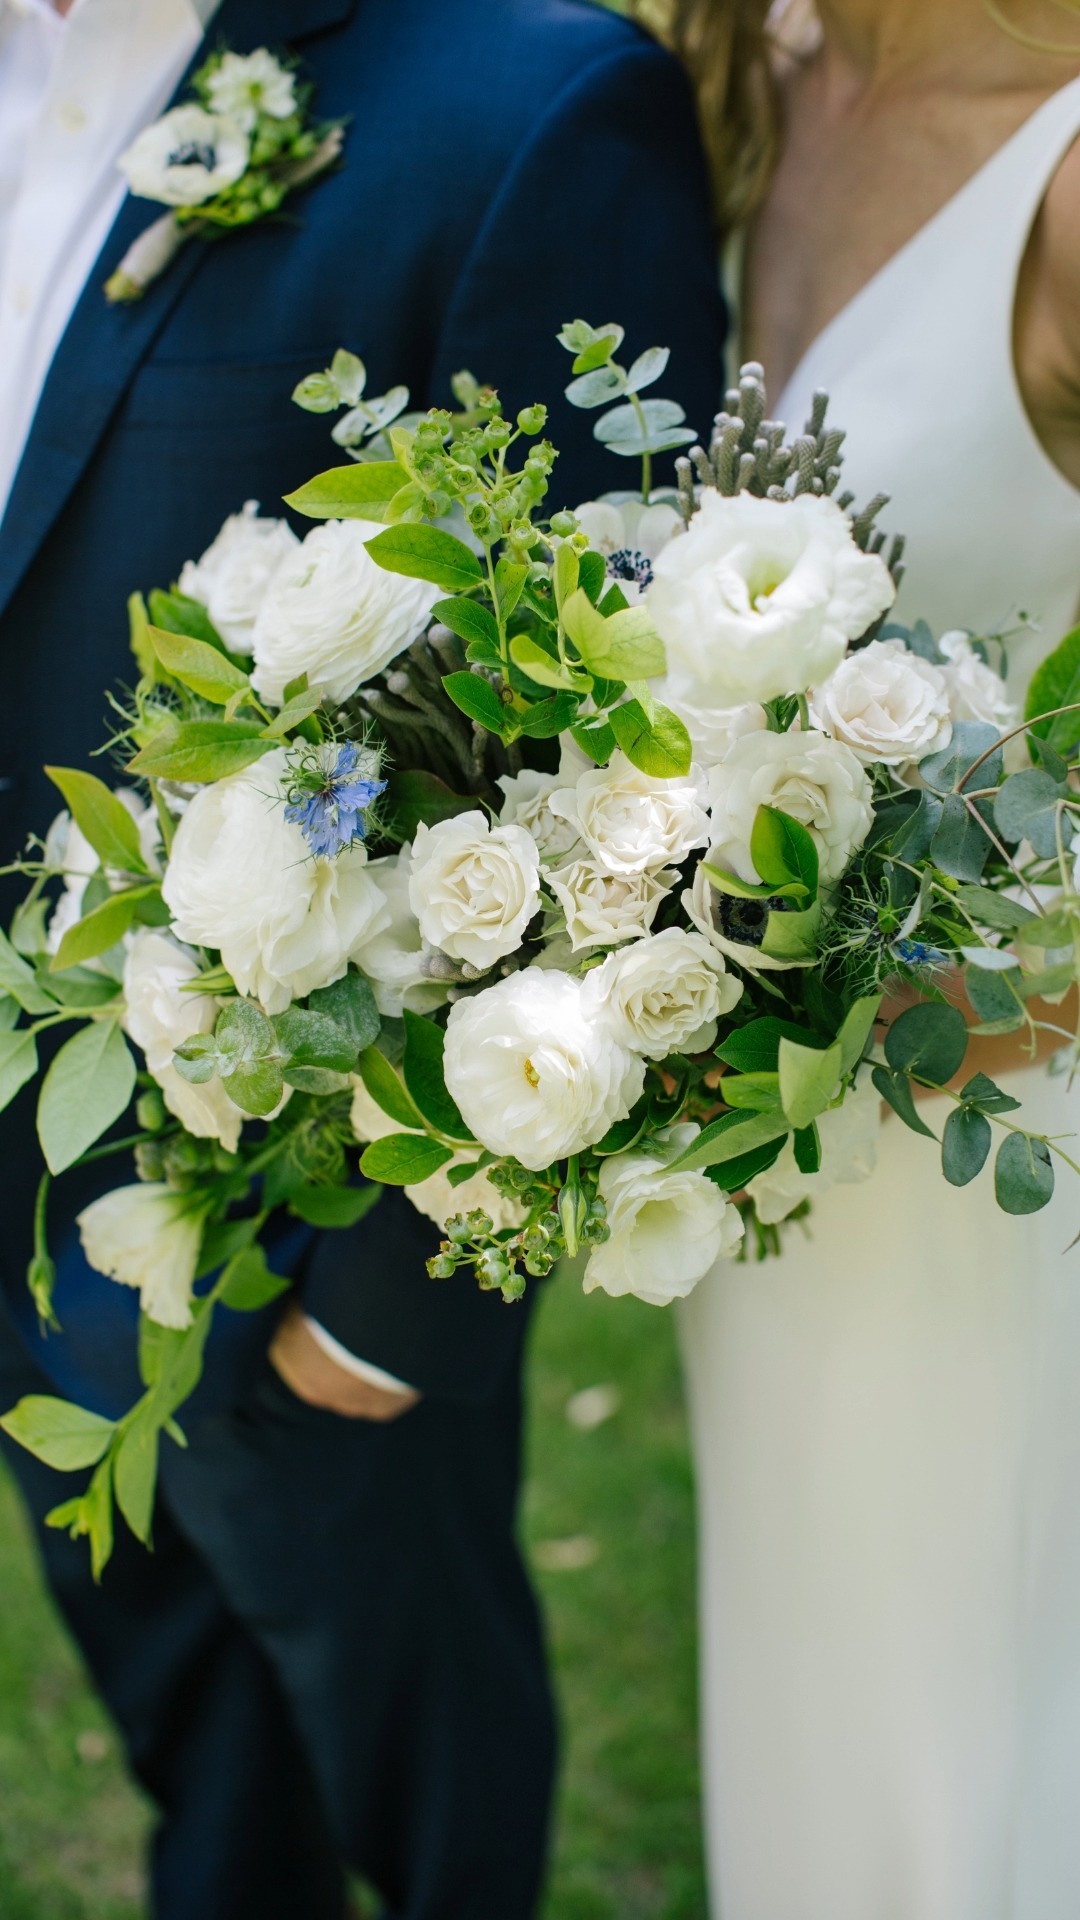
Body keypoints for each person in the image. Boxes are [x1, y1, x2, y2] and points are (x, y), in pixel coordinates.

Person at [0, 2, 727, 1915]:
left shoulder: (525, 100)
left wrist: (391, 1313)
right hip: (26, 1184)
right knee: (206, 1797)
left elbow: (622, 767)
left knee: (417, 1813)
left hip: (307, 1231)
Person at [632, 0, 1080, 1915]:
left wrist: (1016, 1005)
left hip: (1004, 1129)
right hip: (781, 1144)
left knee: (974, 1728)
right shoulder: (741, 85)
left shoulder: (1058, 170)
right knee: (821, 1701)